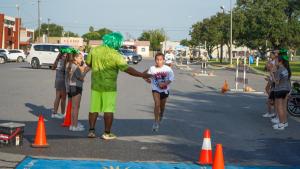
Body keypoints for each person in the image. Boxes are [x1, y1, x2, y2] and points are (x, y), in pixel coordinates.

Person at [86, 32, 151, 140]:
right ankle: (107, 133)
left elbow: (88, 63)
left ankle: (91, 131)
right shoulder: (116, 55)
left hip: (96, 85)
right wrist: (141, 75)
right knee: (108, 110)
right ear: (115, 42)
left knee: (93, 108)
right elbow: (127, 69)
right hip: (109, 87)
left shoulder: (94, 50)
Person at [144, 52, 174, 132]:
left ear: (163, 60)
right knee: (157, 104)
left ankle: (161, 115)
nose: (159, 61)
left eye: (160, 60)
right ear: (155, 60)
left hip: (165, 90)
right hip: (155, 89)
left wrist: (164, 83)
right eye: (157, 60)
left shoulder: (168, 69)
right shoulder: (152, 68)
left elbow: (171, 79)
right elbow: (144, 74)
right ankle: (156, 122)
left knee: (162, 106)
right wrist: (146, 79)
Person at [66, 50, 89, 131]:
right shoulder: (76, 67)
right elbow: (81, 78)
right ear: (75, 58)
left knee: (73, 107)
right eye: (80, 58)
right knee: (76, 107)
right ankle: (75, 126)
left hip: (71, 87)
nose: (82, 59)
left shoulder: (70, 65)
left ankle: (72, 125)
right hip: (76, 87)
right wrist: (85, 71)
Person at [270, 49, 291, 130]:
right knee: (283, 107)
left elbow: (276, 82)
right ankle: (284, 122)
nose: (275, 62)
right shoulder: (286, 69)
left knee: (279, 107)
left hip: (279, 89)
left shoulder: (279, 70)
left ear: (280, 61)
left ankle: (281, 124)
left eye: (276, 61)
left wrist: (272, 73)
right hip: (285, 89)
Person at [51, 48, 68, 119]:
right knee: (63, 98)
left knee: (58, 96)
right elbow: (67, 71)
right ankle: (63, 113)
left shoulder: (58, 60)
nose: (67, 55)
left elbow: (53, 68)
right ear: (64, 54)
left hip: (57, 80)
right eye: (66, 54)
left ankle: (54, 113)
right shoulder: (64, 61)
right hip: (63, 81)